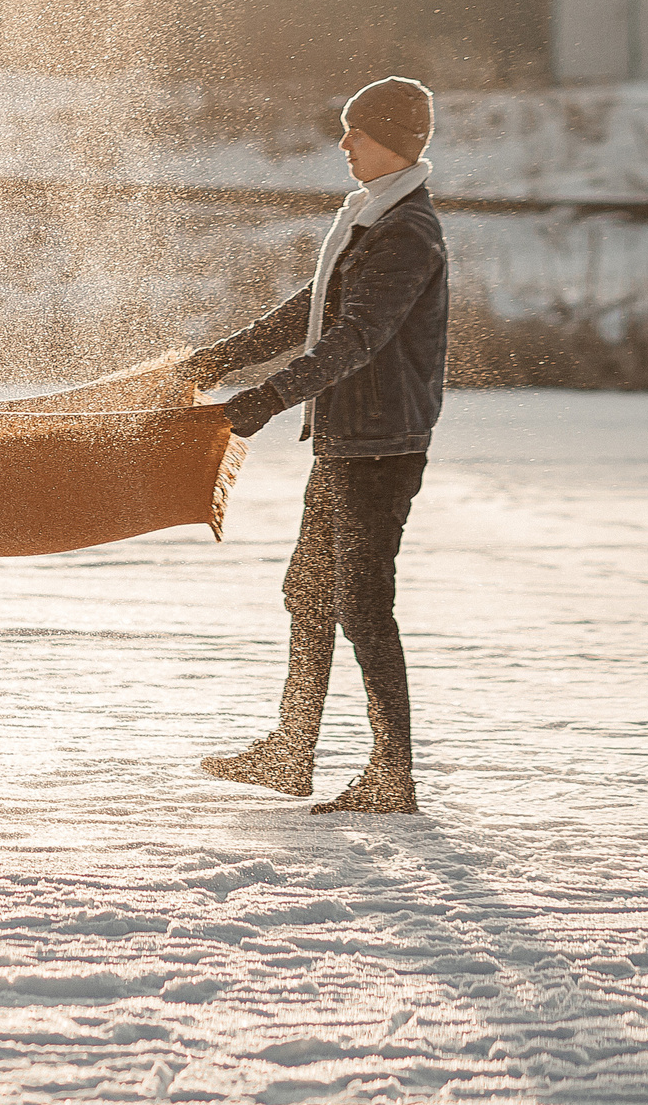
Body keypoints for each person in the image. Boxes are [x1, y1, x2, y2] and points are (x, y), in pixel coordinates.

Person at [179, 76, 448, 815]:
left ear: (392, 139)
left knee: (363, 606)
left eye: (357, 130)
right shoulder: (370, 217)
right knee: (309, 591)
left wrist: (263, 400)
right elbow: (312, 310)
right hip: (350, 441)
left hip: (382, 448)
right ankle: (292, 751)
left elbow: (356, 337)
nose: (344, 142)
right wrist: (218, 361)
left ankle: (392, 776)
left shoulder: (406, 232)